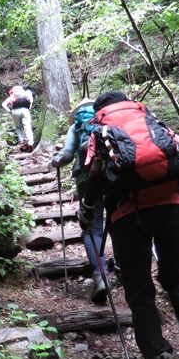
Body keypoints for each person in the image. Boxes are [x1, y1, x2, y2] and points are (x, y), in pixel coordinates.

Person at [80, 90, 179, 359]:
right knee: (176, 277)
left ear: (100, 110)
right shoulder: (150, 120)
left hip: (128, 215)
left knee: (139, 290)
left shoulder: (101, 129)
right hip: (172, 207)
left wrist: (87, 209)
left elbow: (95, 174)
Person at [51, 98, 110, 304]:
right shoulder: (108, 119)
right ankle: (124, 268)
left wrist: (56, 160)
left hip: (88, 178)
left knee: (92, 228)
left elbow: (67, 156)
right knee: (120, 223)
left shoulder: (78, 125)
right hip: (116, 177)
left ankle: (100, 276)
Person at [2, 85, 34, 152]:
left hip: (15, 111)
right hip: (25, 110)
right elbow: (31, 100)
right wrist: (29, 108)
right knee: (27, 127)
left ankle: (21, 140)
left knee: (18, 127)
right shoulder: (26, 94)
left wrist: (10, 111)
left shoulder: (13, 96)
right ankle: (30, 142)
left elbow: (3, 104)